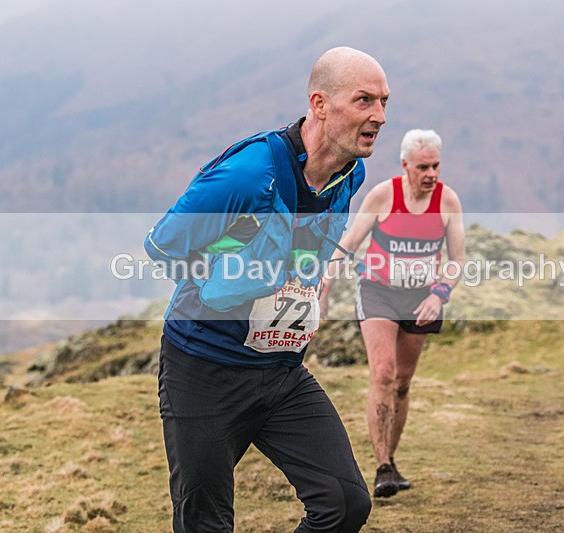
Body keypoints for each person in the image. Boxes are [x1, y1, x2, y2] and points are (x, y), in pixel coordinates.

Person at [144, 47, 389, 532]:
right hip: (204, 370)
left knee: (344, 503)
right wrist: (237, 268)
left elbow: (310, 244)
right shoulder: (249, 172)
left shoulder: (350, 174)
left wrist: (307, 281)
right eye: (364, 101)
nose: (379, 116)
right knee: (206, 524)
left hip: (280, 370)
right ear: (320, 104)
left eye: (383, 102)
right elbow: (162, 247)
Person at [320, 129, 465, 498]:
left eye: (435, 165)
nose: (431, 174)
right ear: (405, 166)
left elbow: (457, 260)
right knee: (383, 373)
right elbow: (349, 243)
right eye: (423, 167)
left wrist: (440, 293)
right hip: (378, 292)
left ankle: (393, 462)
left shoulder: (448, 202)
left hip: (421, 298)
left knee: (402, 382)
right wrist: (325, 287)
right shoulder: (384, 195)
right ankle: (382, 466)